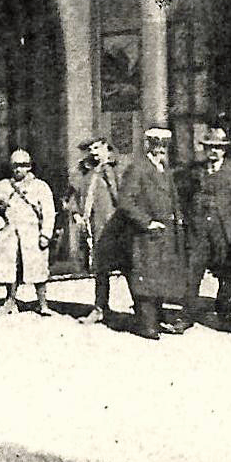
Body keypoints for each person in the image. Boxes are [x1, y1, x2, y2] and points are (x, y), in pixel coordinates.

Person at [103, 124, 189, 339]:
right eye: (156, 145)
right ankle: (147, 324)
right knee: (145, 278)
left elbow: (172, 198)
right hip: (145, 236)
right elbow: (125, 202)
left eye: (164, 146)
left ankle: (156, 320)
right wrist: (147, 222)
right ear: (148, 146)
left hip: (165, 234)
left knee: (160, 277)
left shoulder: (164, 169)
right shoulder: (138, 169)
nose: (160, 150)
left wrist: (177, 220)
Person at [182, 127, 231, 324]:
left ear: (225, 149)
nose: (213, 151)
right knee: (192, 271)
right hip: (198, 229)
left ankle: (225, 310)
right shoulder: (194, 170)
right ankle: (187, 315)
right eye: (210, 147)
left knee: (227, 271)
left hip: (224, 228)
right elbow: (183, 195)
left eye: (218, 148)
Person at [0, 148, 57, 316]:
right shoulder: (3, 186)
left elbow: (49, 212)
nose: (18, 169)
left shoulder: (40, 186)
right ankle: (10, 301)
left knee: (37, 268)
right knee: (9, 267)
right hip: (10, 232)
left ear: (29, 166)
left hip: (32, 232)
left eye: (23, 165)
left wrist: (46, 234)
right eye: (15, 165)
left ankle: (42, 303)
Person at [76, 136, 130, 325]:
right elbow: (75, 194)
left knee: (128, 266)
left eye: (97, 148)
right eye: (91, 149)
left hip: (116, 226)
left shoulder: (117, 168)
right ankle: (100, 308)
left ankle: (144, 310)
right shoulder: (86, 171)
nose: (93, 152)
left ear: (106, 147)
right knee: (100, 269)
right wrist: (76, 214)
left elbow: (123, 197)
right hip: (96, 227)